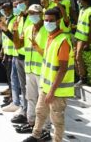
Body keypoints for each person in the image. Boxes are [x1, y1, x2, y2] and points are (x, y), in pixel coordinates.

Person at [23, 8, 75, 142]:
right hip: (45, 86)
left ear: (58, 21)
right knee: (40, 112)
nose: (47, 23)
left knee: (56, 119)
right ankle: (36, 135)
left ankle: (57, 140)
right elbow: (48, 59)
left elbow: (62, 69)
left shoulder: (62, 41)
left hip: (57, 90)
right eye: (45, 20)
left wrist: (52, 91)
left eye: (51, 20)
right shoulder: (51, 37)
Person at [12, 5, 51, 139]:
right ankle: (32, 123)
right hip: (29, 70)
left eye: (35, 13)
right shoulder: (28, 28)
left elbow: (51, 52)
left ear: (41, 14)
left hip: (43, 72)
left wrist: (38, 48)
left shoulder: (48, 30)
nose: (32, 15)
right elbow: (18, 45)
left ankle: (46, 129)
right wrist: (15, 31)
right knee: (31, 98)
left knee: (44, 101)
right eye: (30, 13)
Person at [0, 3, 15, 104]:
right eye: (4, 10)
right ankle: (10, 94)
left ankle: (12, 98)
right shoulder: (7, 20)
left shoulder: (13, 20)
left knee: (12, 77)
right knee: (9, 76)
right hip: (7, 52)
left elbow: (12, 36)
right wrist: (2, 50)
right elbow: (5, 37)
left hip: (13, 53)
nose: (5, 11)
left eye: (8, 9)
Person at [74, 0, 91, 86]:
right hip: (78, 36)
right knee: (74, 57)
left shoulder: (90, 11)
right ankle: (81, 76)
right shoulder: (82, 9)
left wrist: (88, 43)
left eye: (79, 0)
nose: (78, 1)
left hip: (84, 38)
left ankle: (83, 78)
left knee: (78, 57)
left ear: (84, 0)